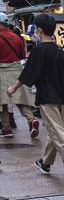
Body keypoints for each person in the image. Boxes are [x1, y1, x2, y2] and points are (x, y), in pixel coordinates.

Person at [7, 13, 64, 180]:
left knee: (58, 131)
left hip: (47, 97)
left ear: (39, 30)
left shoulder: (38, 50)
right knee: (54, 131)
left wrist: (13, 87)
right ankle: (45, 162)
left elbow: (29, 73)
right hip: (63, 97)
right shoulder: (59, 51)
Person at [0, 11, 38, 139]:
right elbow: (22, 56)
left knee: (3, 102)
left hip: (1, 71)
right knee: (20, 100)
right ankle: (31, 120)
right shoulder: (17, 37)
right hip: (16, 70)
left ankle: (6, 129)